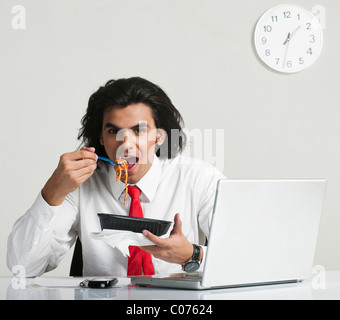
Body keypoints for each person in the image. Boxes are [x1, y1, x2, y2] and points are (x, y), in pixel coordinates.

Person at [7, 77, 225, 277]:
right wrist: (53, 190)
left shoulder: (199, 180)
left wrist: (193, 255)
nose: (126, 144)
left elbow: (245, 257)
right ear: (101, 138)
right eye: (113, 132)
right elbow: (22, 268)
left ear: (159, 136)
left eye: (138, 131)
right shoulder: (81, 185)